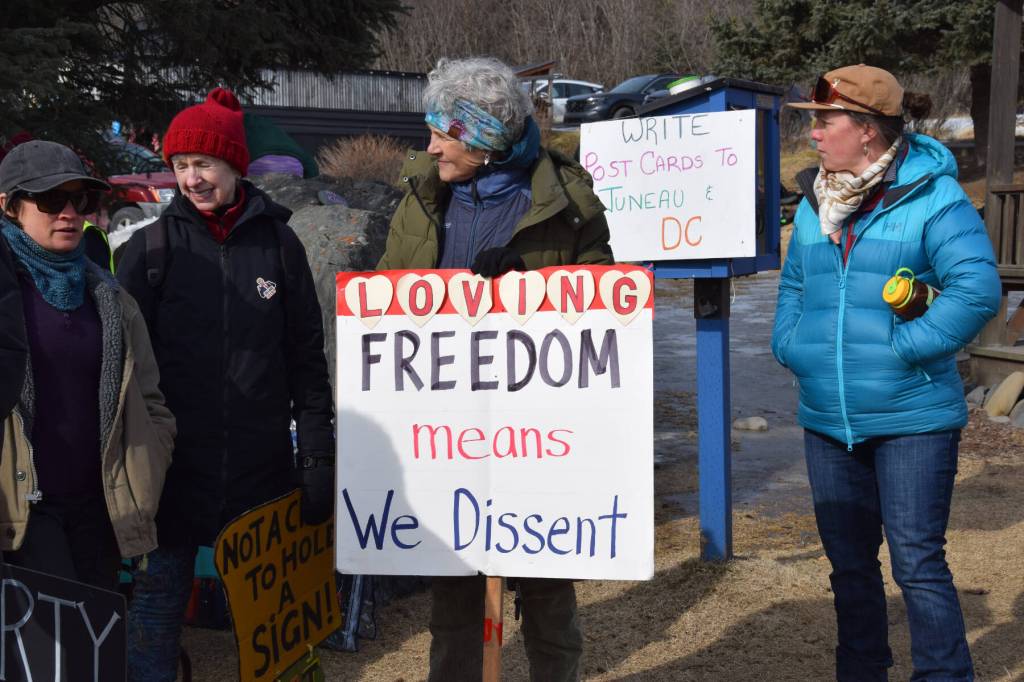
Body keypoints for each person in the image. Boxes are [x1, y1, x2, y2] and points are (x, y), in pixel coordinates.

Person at [378, 57, 613, 682]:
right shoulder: (422, 199)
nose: (429, 147)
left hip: (539, 433)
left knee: (547, 592)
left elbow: (601, 312)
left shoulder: (566, 203)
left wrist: (527, 286)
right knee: (453, 592)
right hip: (447, 430)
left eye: (443, 134)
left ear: (482, 138)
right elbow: (386, 301)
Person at [773, 64, 1001, 681]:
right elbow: (795, 284)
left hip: (913, 419)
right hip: (828, 419)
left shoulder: (934, 196)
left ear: (869, 130)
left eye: (826, 120)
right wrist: (793, 346)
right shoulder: (820, 198)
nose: (815, 133)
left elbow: (977, 290)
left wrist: (907, 348)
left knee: (918, 565)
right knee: (848, 566)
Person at [115, 87, 335, 681]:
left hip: (260, 472)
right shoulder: (149, 249)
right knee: (158, 611)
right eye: (181, 165)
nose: (191, 178)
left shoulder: (280, 245)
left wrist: (316, 454)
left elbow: (306, 360)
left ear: (235, 164)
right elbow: (122, 374)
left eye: (204, 164)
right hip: (172, 474)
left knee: (264, 618)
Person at [0, 140, 175, 589]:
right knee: (51, 650)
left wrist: (149, 463)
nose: (69, 213)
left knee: (98, 647)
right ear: (9, 206)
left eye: (81, 199)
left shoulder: (111, 297)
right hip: (23, 513)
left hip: (101, 508)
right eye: (52, 199)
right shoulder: (7, 292)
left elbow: (150, 400)